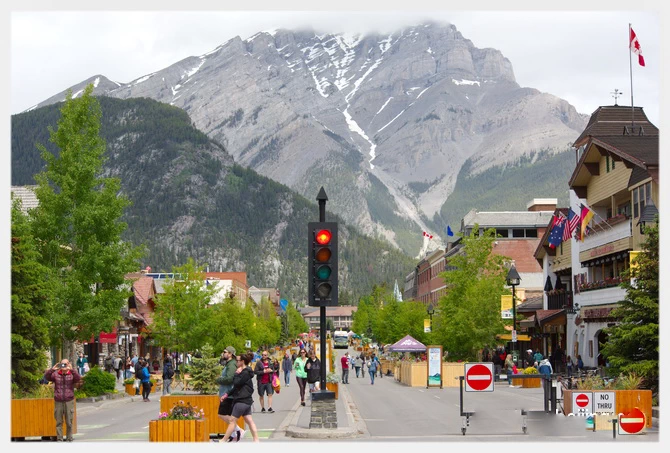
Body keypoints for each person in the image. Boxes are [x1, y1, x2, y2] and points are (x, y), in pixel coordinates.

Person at [220, 353, 259, 443]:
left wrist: (236, 374)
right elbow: (236, 387)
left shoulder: (244, 372)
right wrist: (226, 395)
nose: (236, 362)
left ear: (242, 362)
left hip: (241, 400)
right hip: (246, 400)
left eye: (237, 360)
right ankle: (256, 440)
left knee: (232, 421)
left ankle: (223, 440)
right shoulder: (246, 372)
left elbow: (237, 383)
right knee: (249, 420)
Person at [44, 359, 81, 441]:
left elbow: (78, 379)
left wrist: (72, 370)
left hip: (69, 400)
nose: (64, 366)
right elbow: (46, 377)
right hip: (58, 400)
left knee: (69, 422)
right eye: (62, 364)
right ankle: (59, 439)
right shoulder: (56, 374)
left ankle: (69, 438)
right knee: (59, 422)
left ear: (68, 364)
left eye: (66, 364)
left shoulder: (71, 374)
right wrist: (52, 370)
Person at [216, 346, 243, 442]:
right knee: (227, 415)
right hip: (227, 393)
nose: (223, 353)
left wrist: (218, 379)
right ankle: (234, 433)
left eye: (225, 352)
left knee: (222, 414)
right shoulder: (229, 364)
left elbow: (229, 378)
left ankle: (238, 430)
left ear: (230, 354)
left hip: (228, 394)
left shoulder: (231, 365)